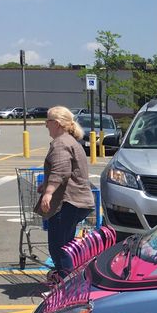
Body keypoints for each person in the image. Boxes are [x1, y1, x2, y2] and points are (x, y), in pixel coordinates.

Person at [38, 106, 95, 280]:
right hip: (77, 201)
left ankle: (68, 285)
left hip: (68, 202)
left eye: (47, 121)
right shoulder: (70, 141)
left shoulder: (61, 143)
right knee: (65, 245)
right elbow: (68, 171)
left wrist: (48, 193)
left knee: (59, 247)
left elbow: (61, 170)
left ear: (55, 123)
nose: (46, 125)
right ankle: (66, 280)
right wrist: (46, 186)